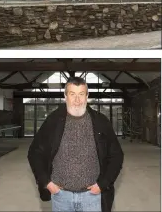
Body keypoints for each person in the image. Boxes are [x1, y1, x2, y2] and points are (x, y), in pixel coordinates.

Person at [27, 77, 124, 212]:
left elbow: (116, 155)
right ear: (65, 96)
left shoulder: (101, 122)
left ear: (87, 96)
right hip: (61, 196)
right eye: (72, 94)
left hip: (92, 197)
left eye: (81, 94)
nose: (77, 100)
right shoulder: (53, 121)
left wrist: (103, 184)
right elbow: (35, 152)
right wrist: (46, 182)